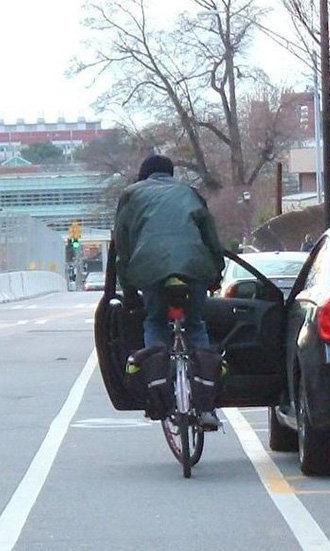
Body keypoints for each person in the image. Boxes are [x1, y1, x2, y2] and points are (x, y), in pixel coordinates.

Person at [113, 154, 225, 430]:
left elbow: (122, 247)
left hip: (151, 270)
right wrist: (216, 273)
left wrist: (127, 288)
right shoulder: (190, 193)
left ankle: (157, 385)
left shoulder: (131, 196)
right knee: (196, 323)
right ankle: (207, 405)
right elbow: (211, 237)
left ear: (144, 175)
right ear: (171, 173)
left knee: (154, 321)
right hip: (193, 267)